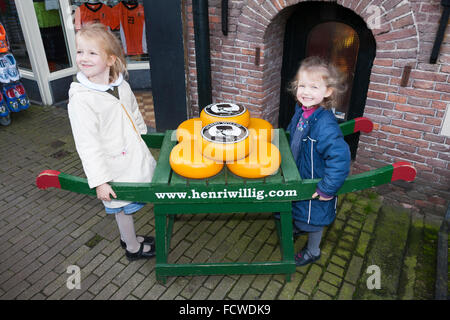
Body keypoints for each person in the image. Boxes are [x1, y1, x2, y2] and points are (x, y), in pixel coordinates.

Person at [67, 23, 157, 261]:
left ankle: (132, 239)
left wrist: (142, 135)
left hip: (132, 155)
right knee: (122, 208)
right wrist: (99, 181)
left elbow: (134, 112)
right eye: (80, 52)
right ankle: (132, 247)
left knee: (129, 204)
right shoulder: (82, 100)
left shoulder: (121, 85)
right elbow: (87, 144)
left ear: (109, 60)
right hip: (113, 166)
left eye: (92, 53)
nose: (83, 58)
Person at [286, 56, 351, 266]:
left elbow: (340, 159)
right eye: (302, 85)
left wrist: (327, 188)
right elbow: (292, 133)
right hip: (299, 172)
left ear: (328, 91)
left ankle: (313, 251)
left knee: (315, 216)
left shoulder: (325, 125)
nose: (306, 92)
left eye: (314, 87)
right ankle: (297, 226)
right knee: (298, 206)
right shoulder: (302, 111)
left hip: (316, 181)